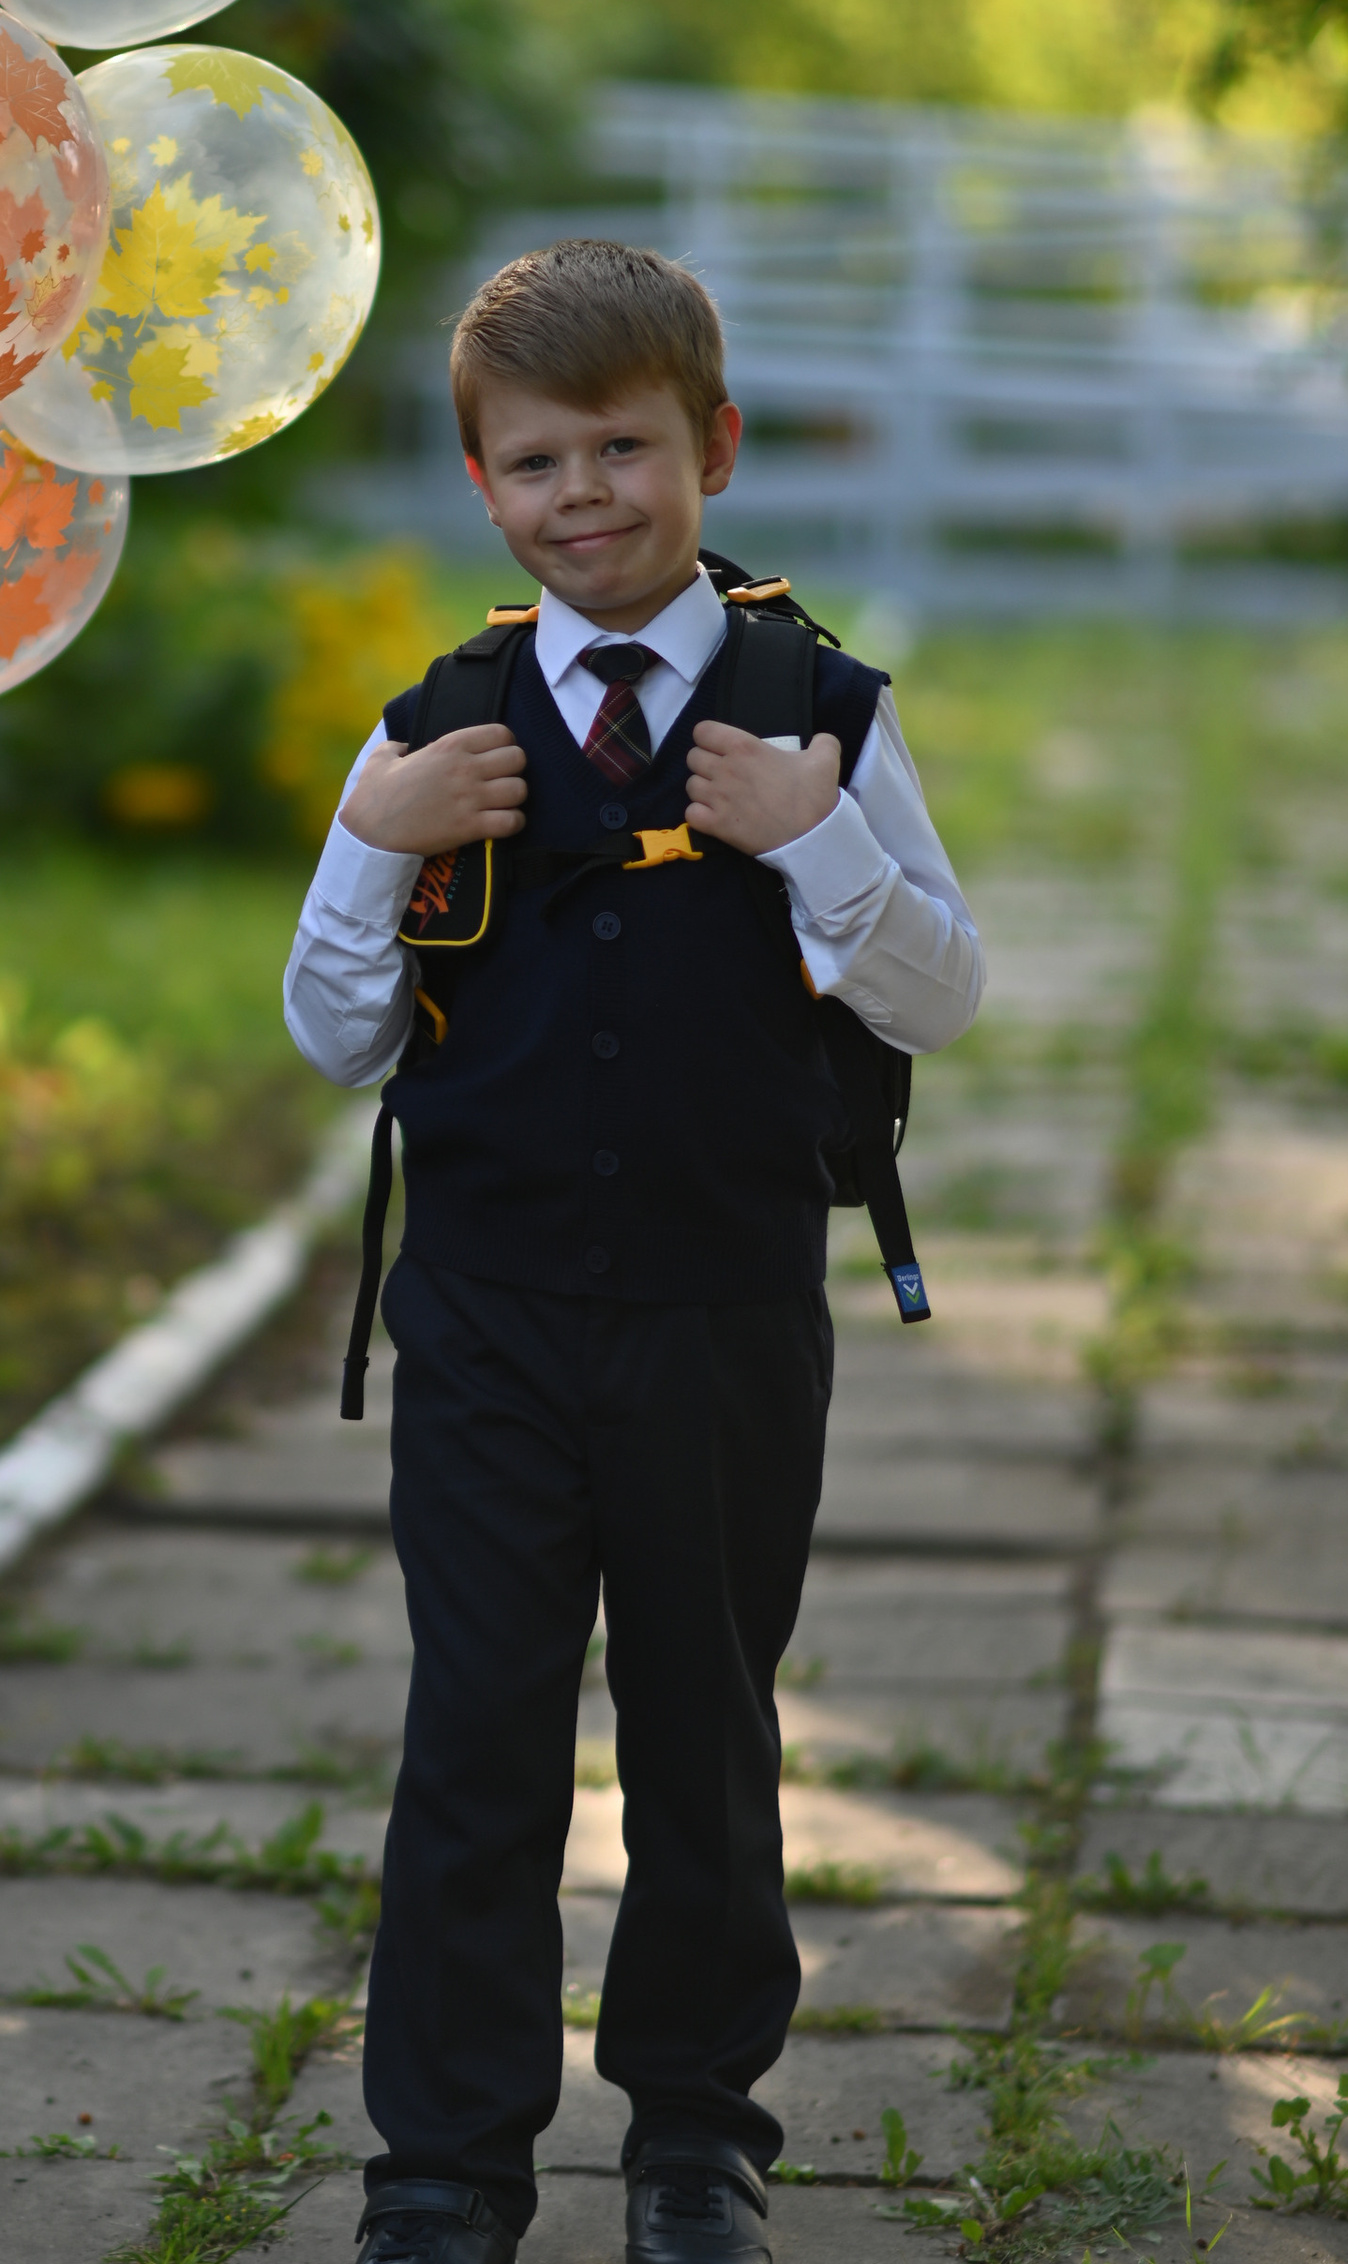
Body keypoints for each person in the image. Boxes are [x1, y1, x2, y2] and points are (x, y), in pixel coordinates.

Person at [281, 240, 985, 2264]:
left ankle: (694, 2135)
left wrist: (809, 832)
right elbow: (334, 1035)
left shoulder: (812, 709)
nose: (582, 492)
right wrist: (371, 832)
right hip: (484, 1323)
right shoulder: (427, 730)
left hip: (721, 1314)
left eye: (623, 446)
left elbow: (938, 993)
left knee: (704, 1718)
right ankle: (439, 2163)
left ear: (713, 449)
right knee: (475, 1733)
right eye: (532, 461)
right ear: (479, 487)